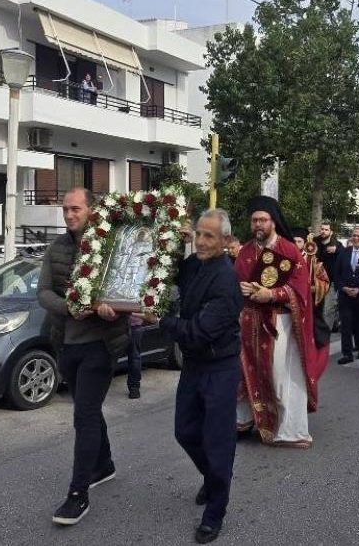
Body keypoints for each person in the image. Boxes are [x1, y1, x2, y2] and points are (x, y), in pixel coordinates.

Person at [137, 209, 244, 544]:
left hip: (220, 368)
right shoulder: (195, 264)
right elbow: (166, 274)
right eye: (198, 233)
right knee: (184, 431)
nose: (201, 240)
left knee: (218, 441)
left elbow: (197, 332)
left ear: (226, 241)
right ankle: (213, 479)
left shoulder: (227, 281)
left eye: (209, 236)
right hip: (195, 367)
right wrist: (172, 244)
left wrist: (160, 322)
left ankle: (215, 511)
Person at [40, 188, 130, 526]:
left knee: (85, 415)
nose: (69, 215)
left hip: (101, 343)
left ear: (92, 211)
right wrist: (70, 307)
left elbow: (127, 292)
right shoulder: (56, 249)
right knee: (87, 410)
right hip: (67, 344)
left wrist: (114, 310)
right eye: (65, 210)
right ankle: (103, 465)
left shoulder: (114, 246)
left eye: (75, 209)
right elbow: (43, 293)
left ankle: (78, 494)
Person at [235, 196, 329, 447]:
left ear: (273, 222)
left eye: (263, 220)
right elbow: (235, 283)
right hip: (250, 323)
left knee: (281, 377)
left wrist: (271, 294)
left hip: (279, 323)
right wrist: (242, 289)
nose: (258, 224)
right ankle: (245, 421)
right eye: (254, 220)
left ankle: (290, 430)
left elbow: (299, 290)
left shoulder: (288, 249)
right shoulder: (244, 251)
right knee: (245, 374)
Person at [333, 226, 359, 365]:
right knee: (346, 325)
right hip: (345, 296)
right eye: (354, 235)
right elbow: (336, 274)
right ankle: (347, 353)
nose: (356, 238)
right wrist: (343, 287)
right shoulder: (344, 252)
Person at [292, 228, 332, 353]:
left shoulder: (314, 262)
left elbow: (325, 281)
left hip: (310, 302)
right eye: (294, 241)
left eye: (299, 241)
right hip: (292, 302)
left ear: (304, 243)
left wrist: (316, 288)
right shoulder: (286, 259)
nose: (296, 244)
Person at [315, 220, 344, 331]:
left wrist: (337, 250)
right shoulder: (314, 242)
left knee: (328, 308)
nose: (323, 231)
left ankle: (325, 332)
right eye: (322, 229)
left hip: (330, 282)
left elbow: (344, 253)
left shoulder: (337, 245)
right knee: (316, 307)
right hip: (315, 282)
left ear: (331, 232)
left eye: (326, 229)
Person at [126, 317, 144, 399]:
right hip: (134, 324)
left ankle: (134, 388)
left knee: (134, 357)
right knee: (134, 357)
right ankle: (134, 388)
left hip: (130, 324)